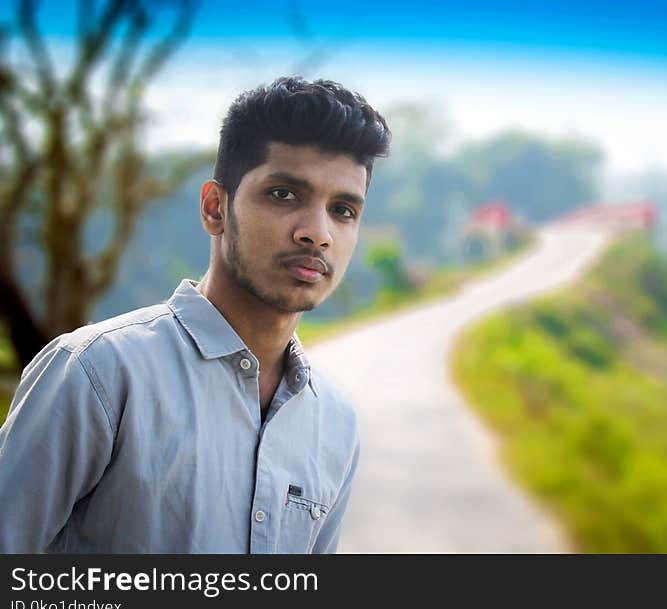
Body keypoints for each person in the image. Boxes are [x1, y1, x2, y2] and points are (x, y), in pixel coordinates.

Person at [0, 76, 391, 553]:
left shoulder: (335, 421)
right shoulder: (96, 374)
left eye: (344, 210)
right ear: (214, 208)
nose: (317, 233)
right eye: (285, 194)